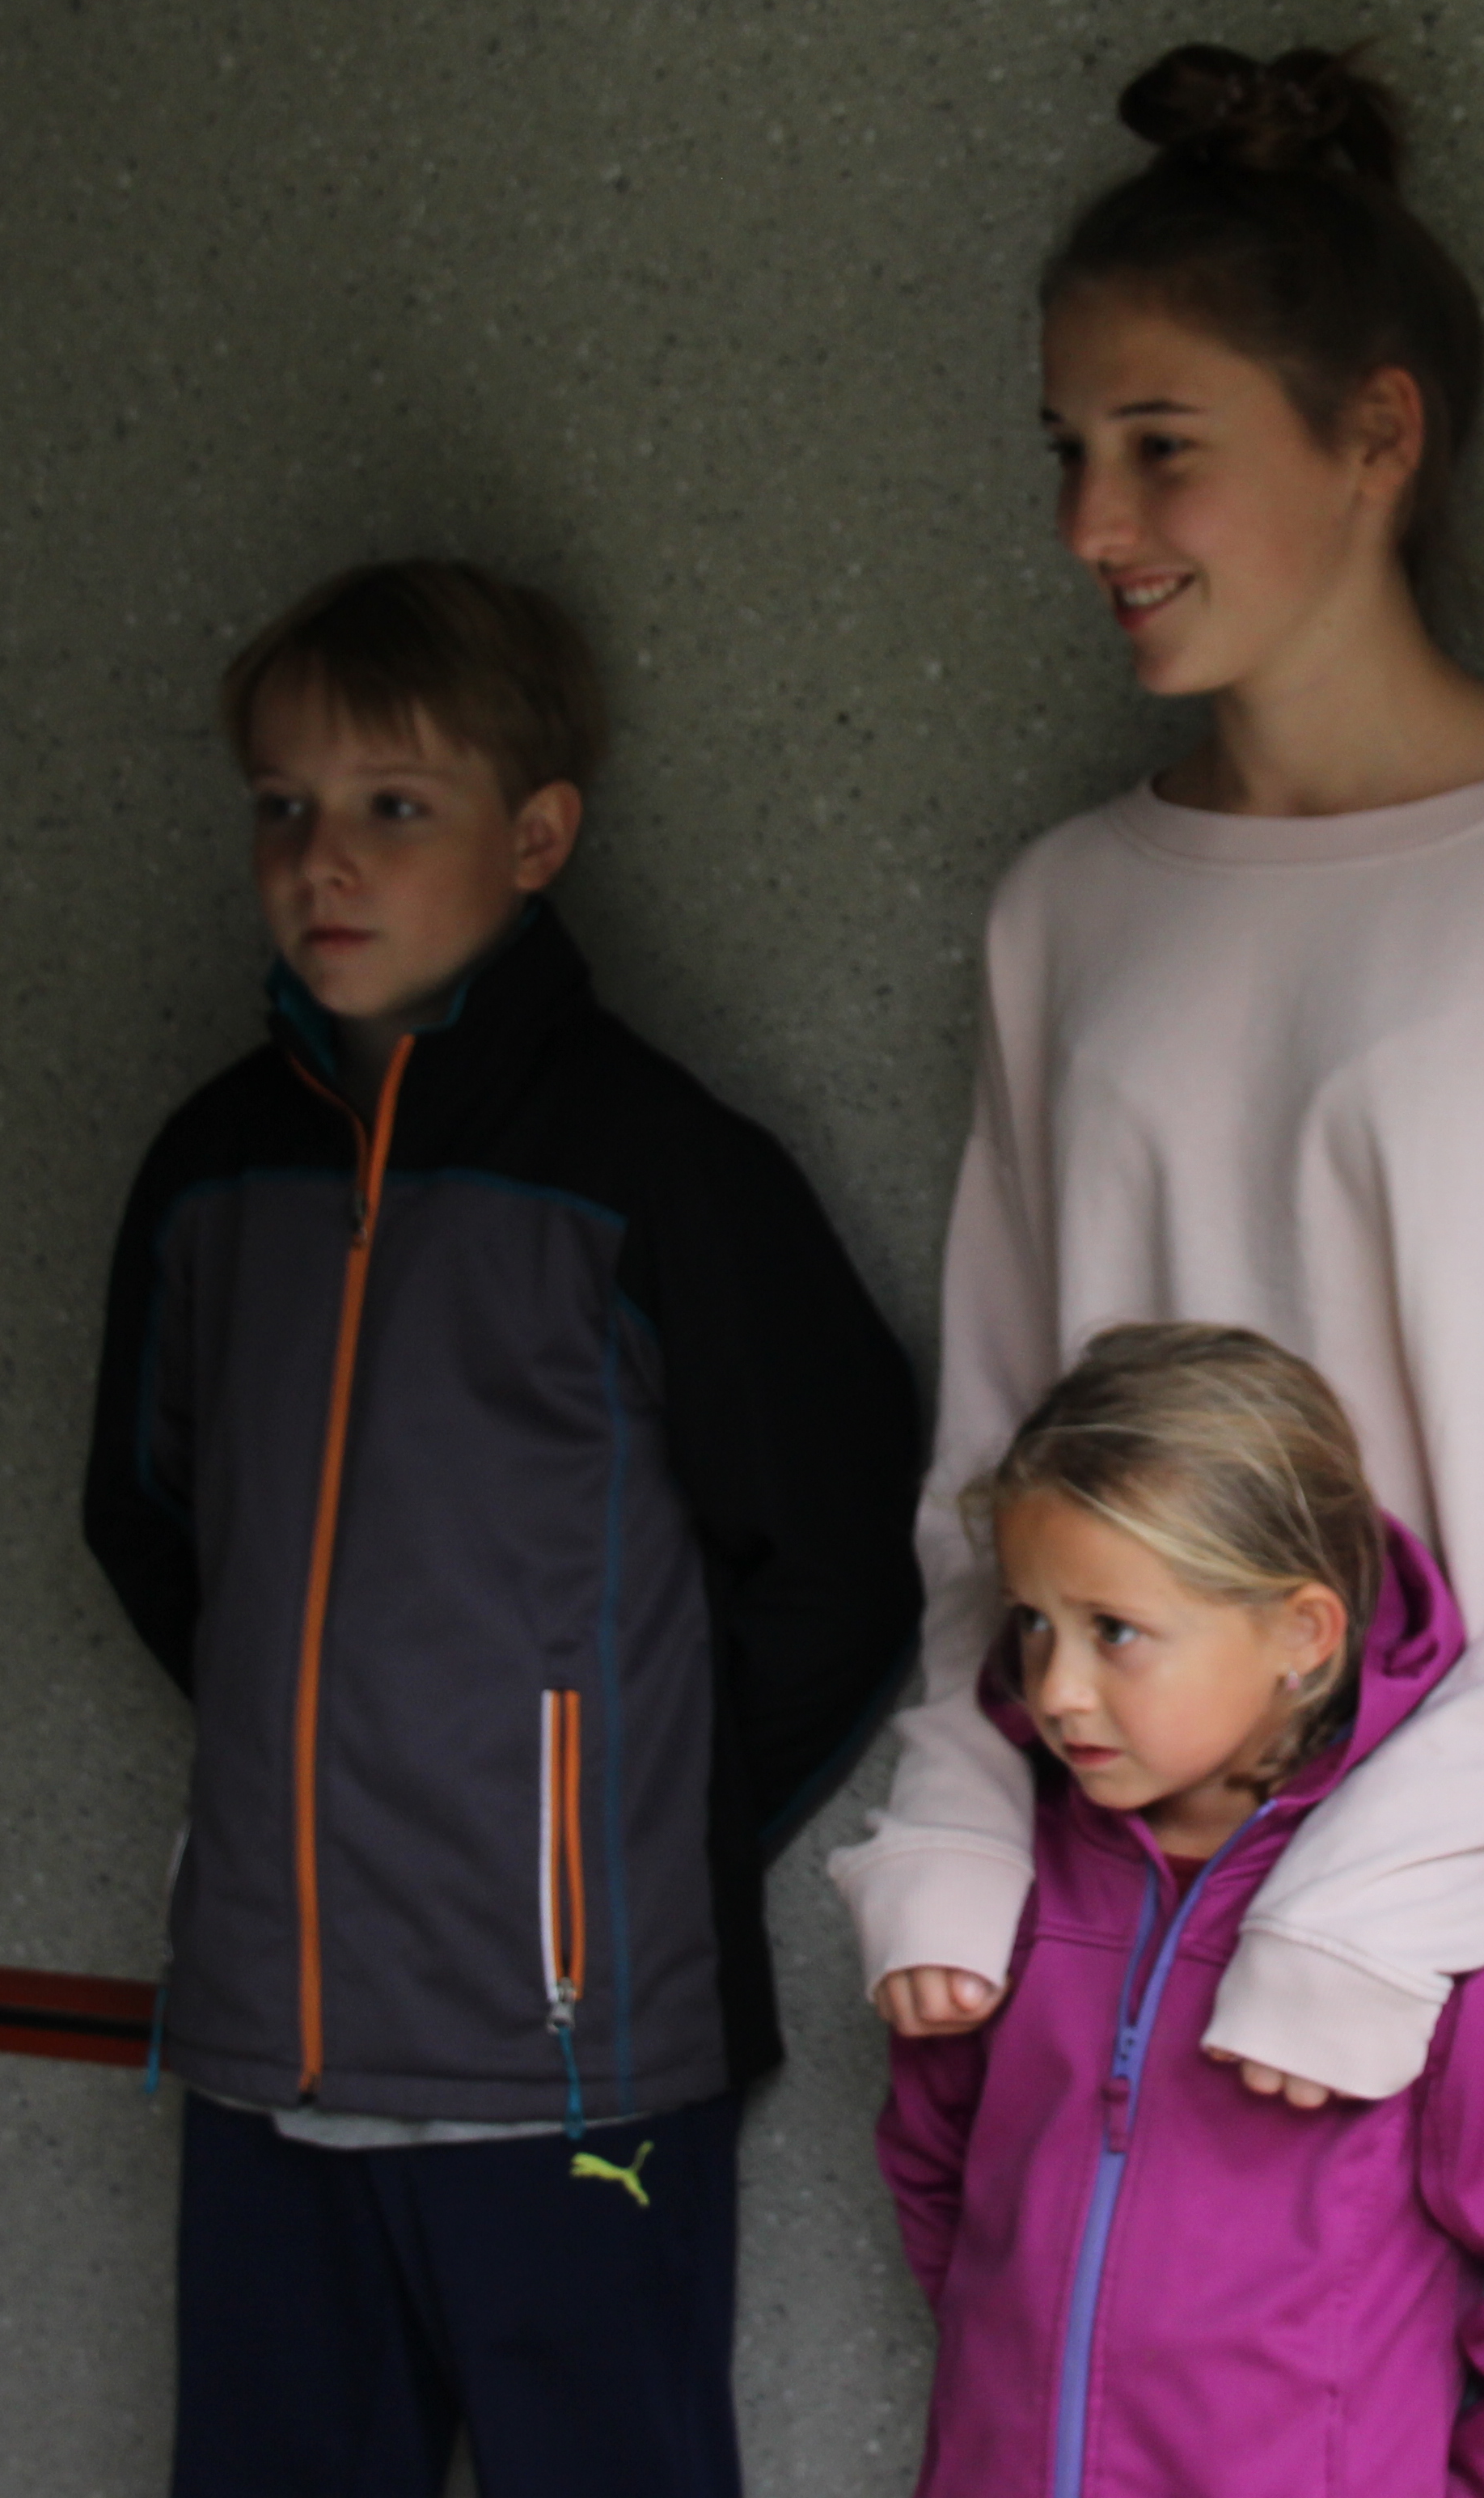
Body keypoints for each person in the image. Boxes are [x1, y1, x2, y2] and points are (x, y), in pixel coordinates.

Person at [828, 43, 1484, 2498]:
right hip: (1155, 1935)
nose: (1092, 521)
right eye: (1066, 449)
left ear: (1377, 435)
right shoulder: (1071, 914)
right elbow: (995, 1487)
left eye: (1160, 446)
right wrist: (960, 1830)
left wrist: (1376, 1898)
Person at [81, 558, 926, 2498]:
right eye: (282, 805)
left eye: (395, 804)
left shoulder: (660, 1172)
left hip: (576, 2070)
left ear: (536, 837)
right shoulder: (211, 1173)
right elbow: (148, 1520)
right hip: (265, 2060)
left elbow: (840, 1555)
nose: (322, 859)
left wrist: (618, 1825)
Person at [877, 1323, 1484, 2496]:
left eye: (1115, 1631)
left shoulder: (1420, 1931)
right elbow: (938, 2174)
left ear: (1301, 1634)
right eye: (1034, 1621)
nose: (1057, 1687)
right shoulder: (1013, 1892)